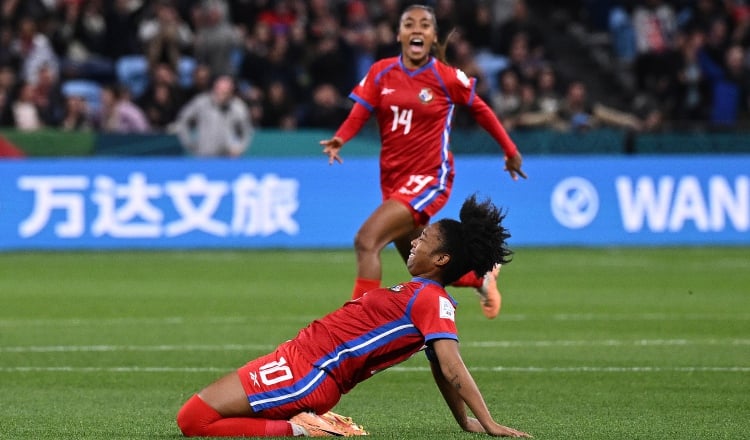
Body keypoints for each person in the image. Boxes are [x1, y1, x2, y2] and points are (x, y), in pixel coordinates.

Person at [176, 194, 531, 438]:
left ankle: (305, 428)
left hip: (308, 373)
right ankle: (307, 423)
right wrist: (464, 422)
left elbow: (451, 366)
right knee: (201, 416)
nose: (414, 243)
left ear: (441, 259)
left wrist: (487, 422)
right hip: (299, 361)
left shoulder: (431, 301)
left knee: (194, 420)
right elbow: (440, 366)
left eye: (424, 239)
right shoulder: (422, 295)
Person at [318, 4, 526, 319]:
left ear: (432, 36)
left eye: (425, 25)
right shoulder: (381, 72)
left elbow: (480, 109)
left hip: (430, 176)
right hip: (393, 179)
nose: (417, 29)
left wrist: (510, 150)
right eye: (409, 24)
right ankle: (479, 278)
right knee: (422, 262)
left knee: (366, 240)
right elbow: (362, 110)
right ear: (399, 34)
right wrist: (341, 137)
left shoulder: (445, 77)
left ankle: (357, 323)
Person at [172, 75, 253, 157]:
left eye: (226, 92)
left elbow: (246, 131)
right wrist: (189, 143)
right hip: (204, 157)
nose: (222, 95)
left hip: (228, 159)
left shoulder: (238, 107)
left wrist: (239, 148)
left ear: (231, 92)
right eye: (220, 91)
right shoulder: (201, 103)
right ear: (215, 88)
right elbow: (183, 120)